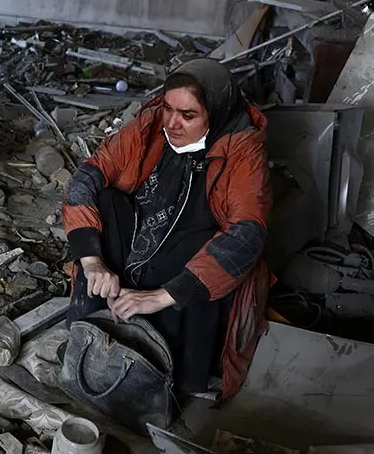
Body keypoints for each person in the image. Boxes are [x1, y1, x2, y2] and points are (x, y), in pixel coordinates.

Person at [61, 58, 271, 400]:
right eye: (167, 109)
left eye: (188, 116)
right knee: (107, 199)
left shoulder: (243, 151)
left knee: (206, 244)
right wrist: (91, 260)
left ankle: (174, 378)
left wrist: (162, 296)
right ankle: (87, 335)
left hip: (188, 268)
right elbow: (87, 178)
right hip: (145, 240)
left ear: (215, 113)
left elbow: (246, 235)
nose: (172, 123)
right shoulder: (150, 126)